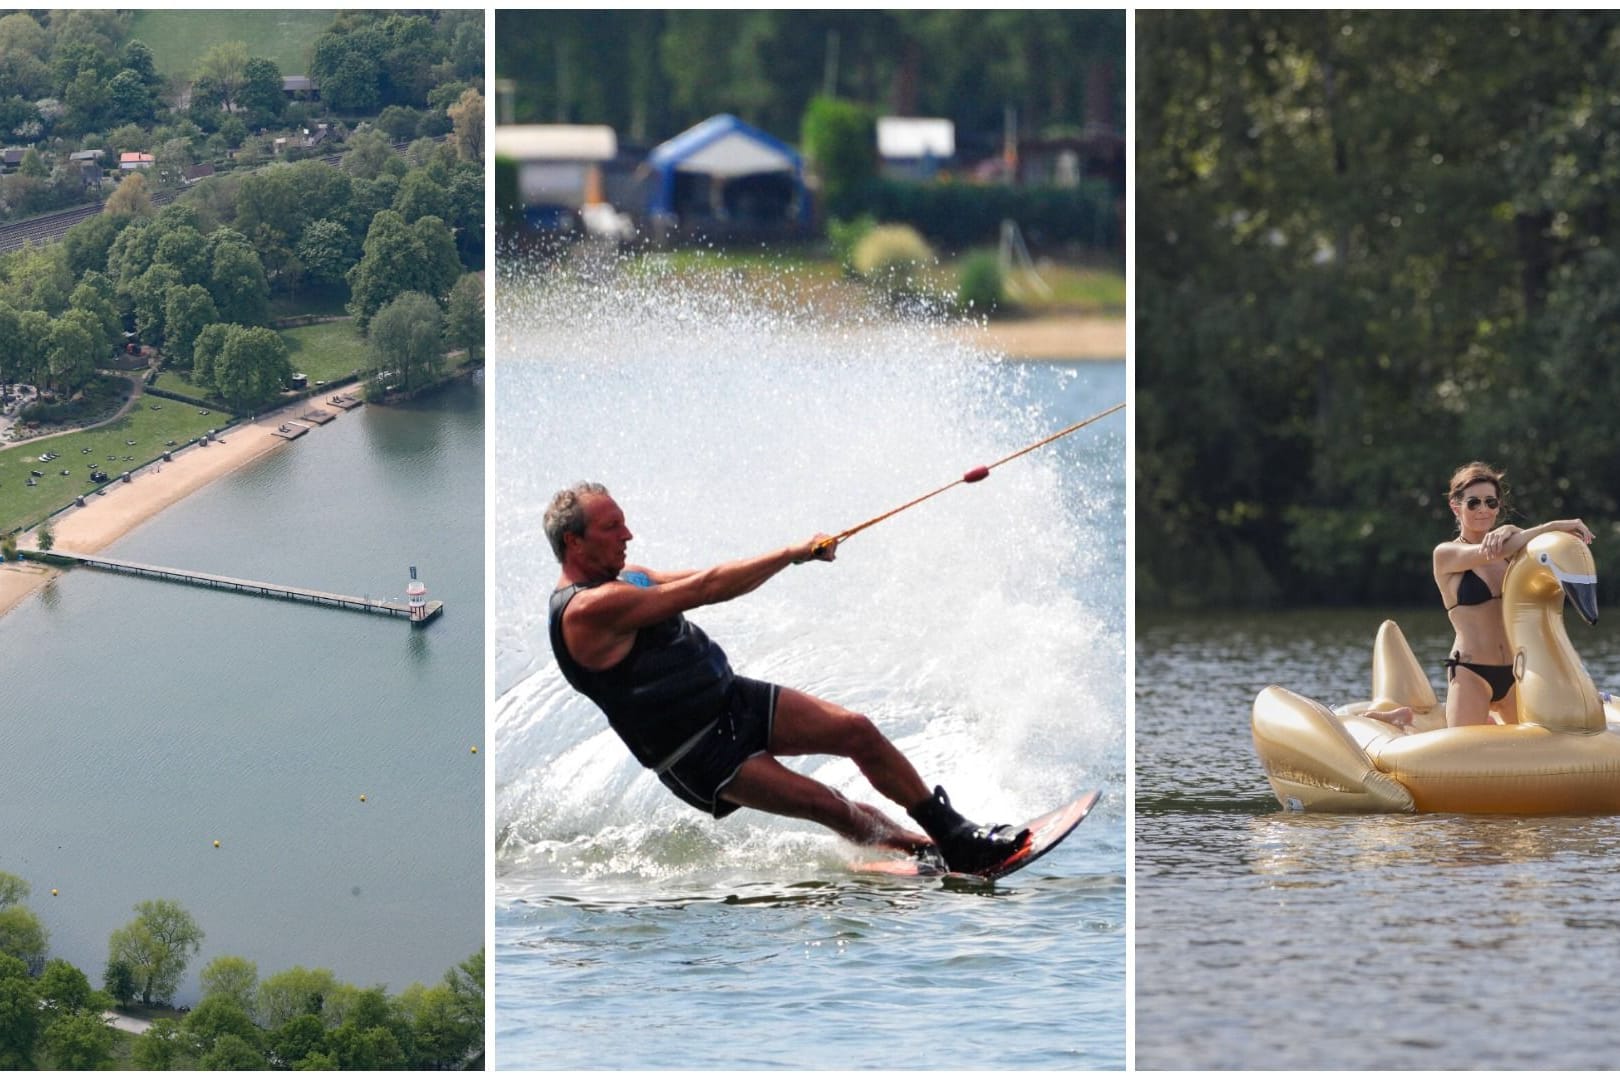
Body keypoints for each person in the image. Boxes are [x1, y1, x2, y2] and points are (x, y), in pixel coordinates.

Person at [543, 481, 1029, 874]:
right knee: (828, 804)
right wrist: (792, 552)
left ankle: (952, 834)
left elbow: (715, 575)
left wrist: (794, 557)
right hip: (698, 750)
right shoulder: (588, 610)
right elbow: (708, 590)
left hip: (732, 701)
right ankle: (924, 854)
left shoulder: (629, 577)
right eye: (613, 528)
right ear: (575, 542)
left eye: (624, 522)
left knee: (855, 730)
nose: (628, 535)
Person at [1426, 461, 1592, 728]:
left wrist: (1512, 530)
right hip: (1472, 672)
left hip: (1517, 673)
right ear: (1455, 507)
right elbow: (1493, 552)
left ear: (1498, 506)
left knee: (1540, 755)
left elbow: (1533, 555)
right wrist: (1556, 525)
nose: (1483, 509)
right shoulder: (1446, 554)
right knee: (1466, 760)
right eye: (1473, 503)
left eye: (1491, 502)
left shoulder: (1514, 550)